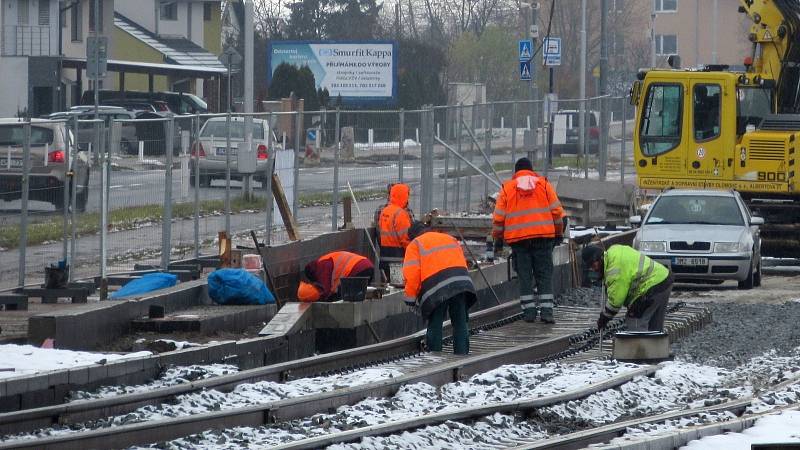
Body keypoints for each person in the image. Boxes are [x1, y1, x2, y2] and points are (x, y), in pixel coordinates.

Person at [492, 157, 566, 323]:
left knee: (525, 277)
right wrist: (558, 234)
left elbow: (498, 219)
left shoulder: (507, 189)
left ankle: (529, 313)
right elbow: (557, 213)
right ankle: (547, 313)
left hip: (519, 243)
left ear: (516, 172)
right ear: (531, 169)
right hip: (543, 240)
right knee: (544, 275)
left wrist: (497, 239)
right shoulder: (544, 185)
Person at [403, 223, 476, 355]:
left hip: (436, 288)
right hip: (461, 282)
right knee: (460, 321)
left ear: (413, 236)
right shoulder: (448, 238)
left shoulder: (415, 244)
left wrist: (410, 299)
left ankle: (435, 355)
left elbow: (412, 274)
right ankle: (462, 354)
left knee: (435, 322)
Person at [581, 244, 674, 332]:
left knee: (635, 321)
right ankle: (656, 348)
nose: (594, 269)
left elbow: (616, 302)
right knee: (654, 326)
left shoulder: (614, 271)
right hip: (664, 278)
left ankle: (640, 348)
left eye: (593, 265)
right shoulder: (614, 250)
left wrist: (604, 318)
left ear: (599, 258)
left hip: (651, 286)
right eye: (590, 267)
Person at [297, 251, 374, 302]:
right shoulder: (324, 260)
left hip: (357, 269)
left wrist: (322, 299)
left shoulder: (321, 266)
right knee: (357, 297)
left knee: (348, 298)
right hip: (367, 265)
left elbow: (326, 288)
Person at [376, 183, 414, 281]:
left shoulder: (384, 211)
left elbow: (379, 233)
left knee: (389, 289)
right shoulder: (401, 214)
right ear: (404, 196)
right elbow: (406, 240)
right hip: (398, 260)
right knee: (399, 289)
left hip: (385, 257)